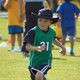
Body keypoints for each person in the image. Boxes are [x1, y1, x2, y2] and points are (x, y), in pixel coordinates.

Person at [23, 8, 66, 80]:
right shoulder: (33, 31)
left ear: (50, 22)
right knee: (37, 78)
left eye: (45, 21)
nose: (42, 23)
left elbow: (53, 40)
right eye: (40, 20)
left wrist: (63, 47)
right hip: (33, 62)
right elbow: (27, 46)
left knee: (39, 76)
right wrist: (36, 48)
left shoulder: (52, 32)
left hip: (45, 61)